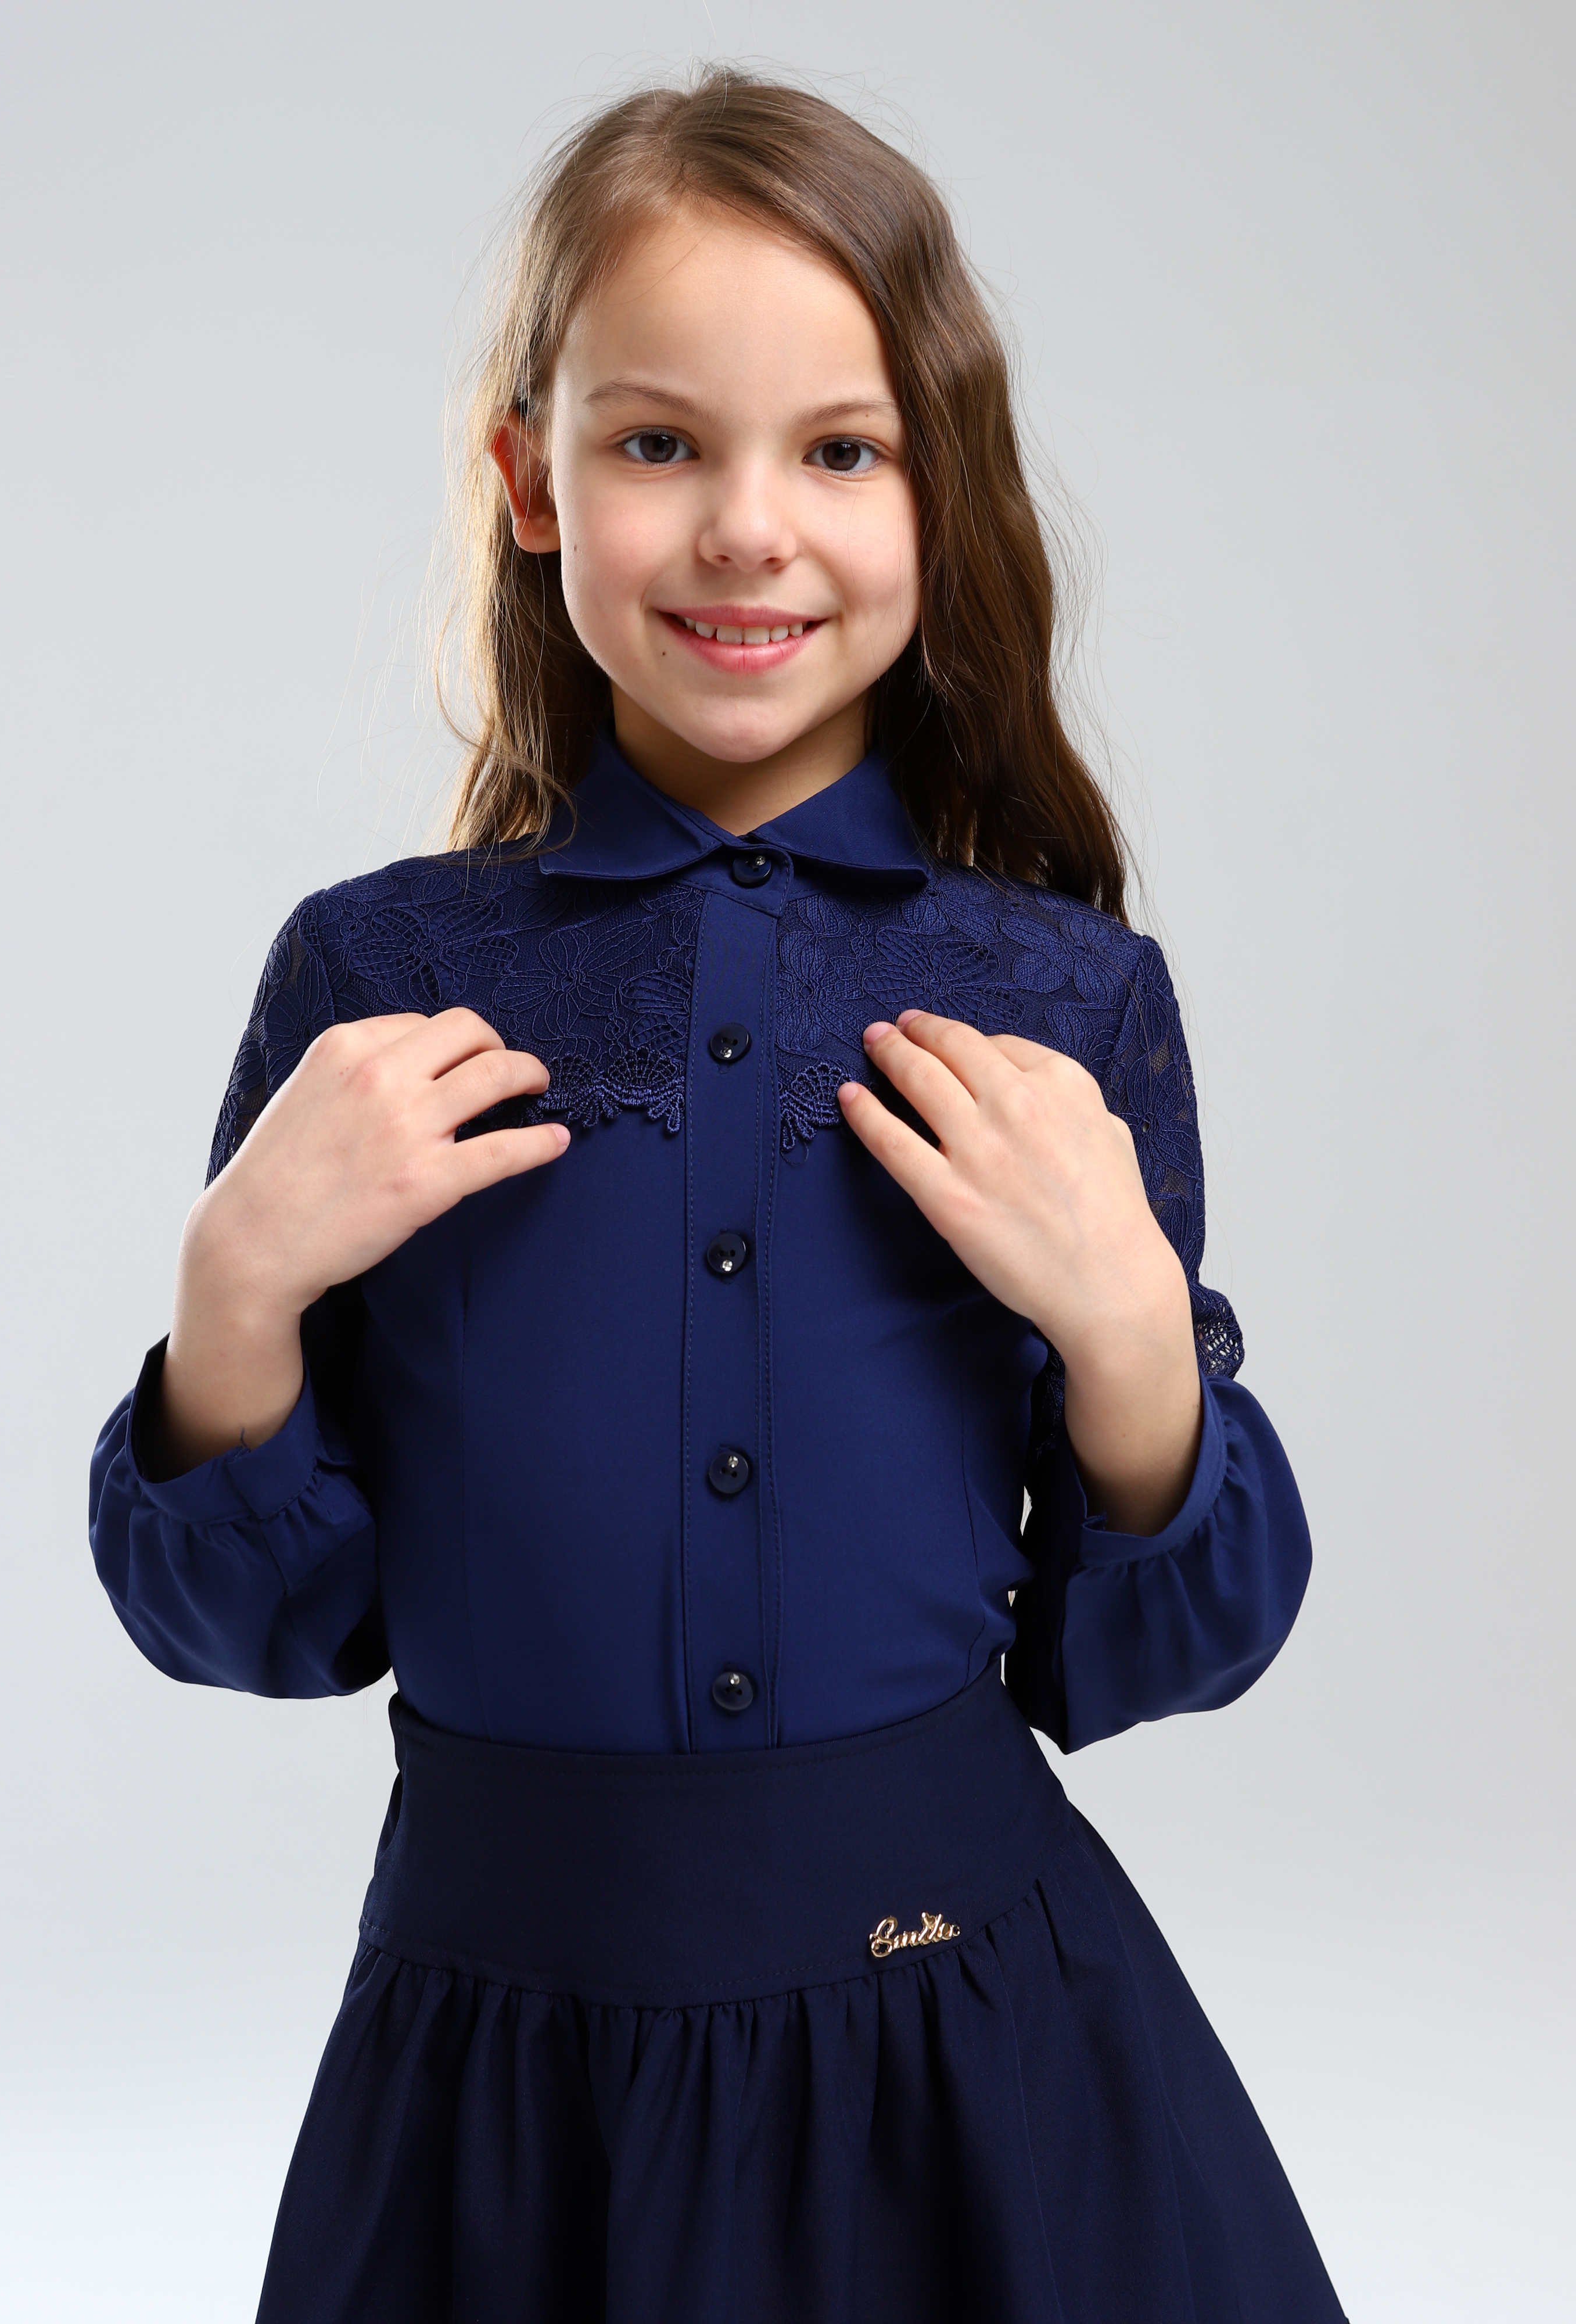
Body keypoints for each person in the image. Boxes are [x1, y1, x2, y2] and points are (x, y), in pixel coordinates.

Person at [89, 69, 1345, 2324]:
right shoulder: (373, 982)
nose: (749, 528)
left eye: (840, 451)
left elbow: (1147, 1650)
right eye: (661, 441)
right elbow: (263, 1622)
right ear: (530, 480)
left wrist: (1135, 1341)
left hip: (971, 2071)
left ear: (939, 494)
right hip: (504, 2098)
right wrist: (235, 1301)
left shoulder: (1065, 998)